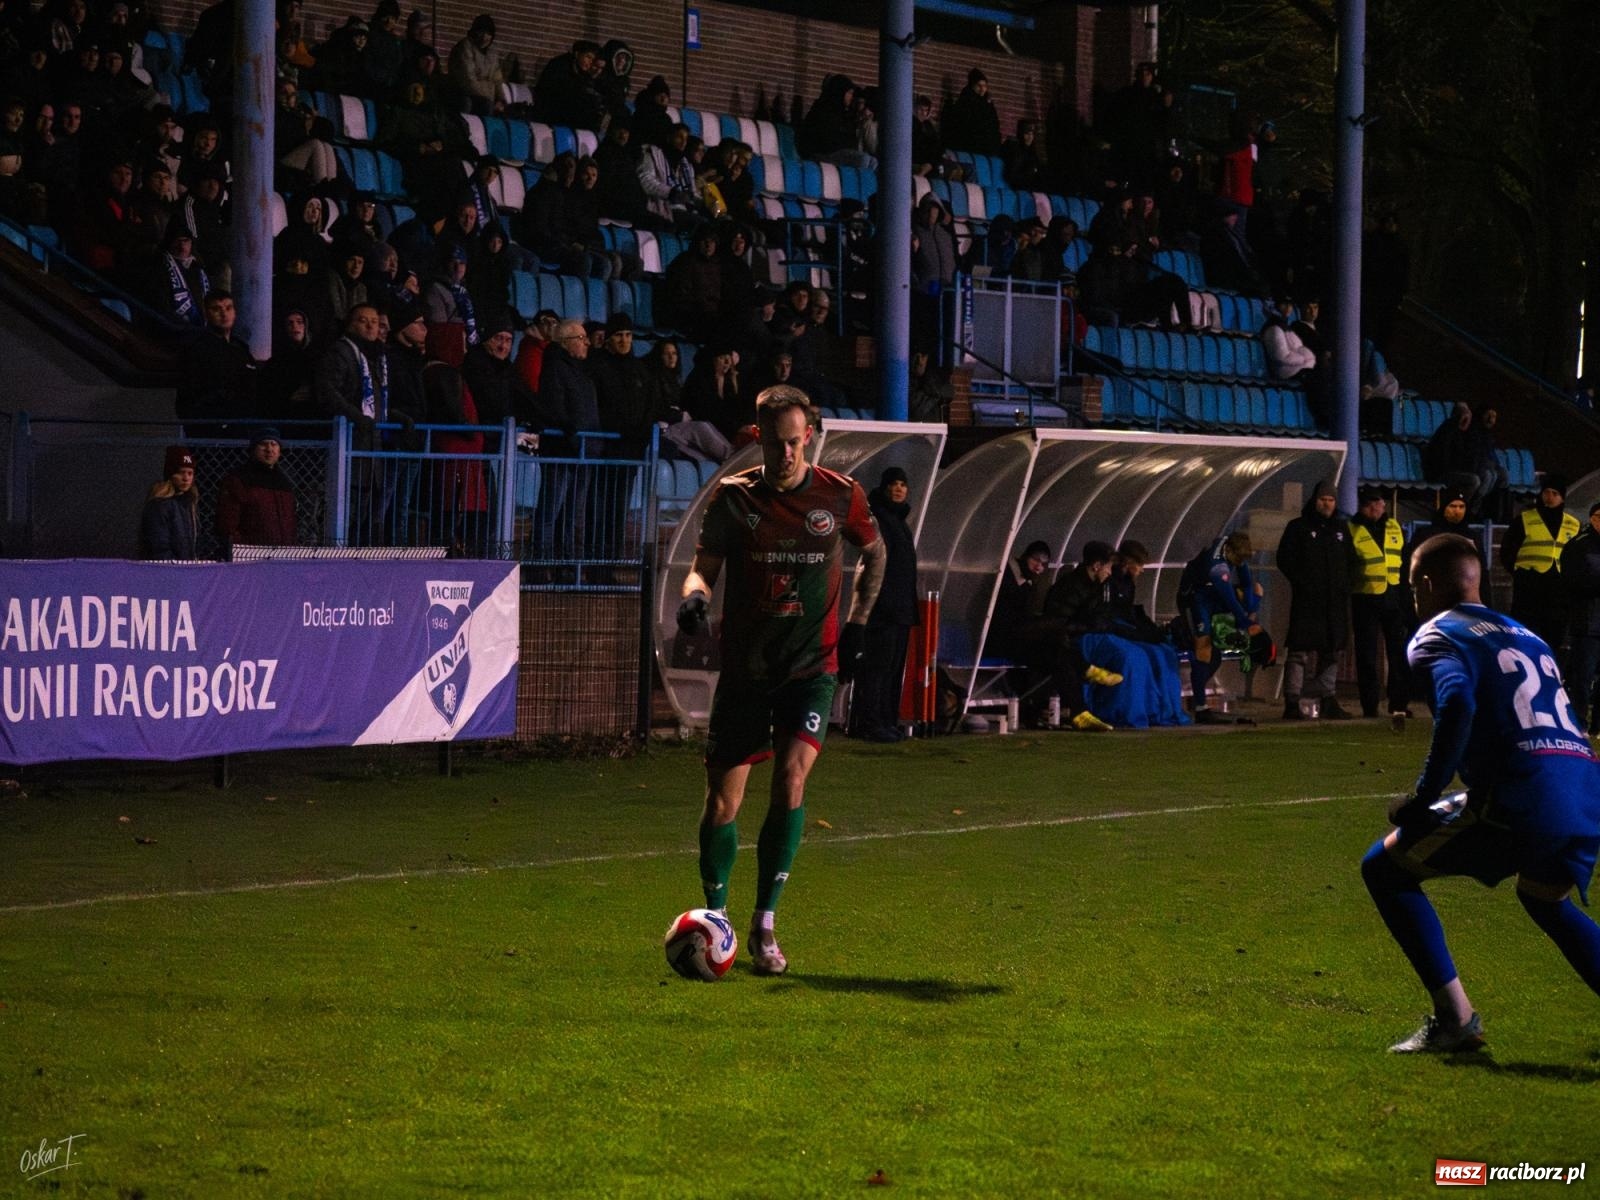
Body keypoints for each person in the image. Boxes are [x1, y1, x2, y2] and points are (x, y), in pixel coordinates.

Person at [1360, 533, 1600, 1053]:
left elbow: (1458, 704)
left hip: (1524, 792)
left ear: (1424, 584)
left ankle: (1456, 1020)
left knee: (1383, 868)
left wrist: (1425, 795)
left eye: (1412, 586)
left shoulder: (1436, 634)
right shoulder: (1526, 635)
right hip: (1582, 789)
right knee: (1545, 897)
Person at [676, 385, 886, 975]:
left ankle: (764, 923)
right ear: (759, 440)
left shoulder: (840, 496)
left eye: (796, 442)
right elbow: (702, 569)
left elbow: (876, 552)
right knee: (723, 801)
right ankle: (715, 920)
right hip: (746, 670)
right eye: (776, 443)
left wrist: (861, 623)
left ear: (810, 435)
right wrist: (693, 600)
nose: (787, 453)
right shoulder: (734, 498)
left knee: (792, 782)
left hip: (810, 671)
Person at [847, 466, 918, 743]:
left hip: (899, 608)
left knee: (891, 668)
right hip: (882, 607)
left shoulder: (899, 521)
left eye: (903, 484)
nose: (899, 489)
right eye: (894, 483)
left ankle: (886, 721)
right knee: (876, 667)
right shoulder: (877, 517)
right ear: (885, 487)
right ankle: (869, 722)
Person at [1276, 480, 1354, 720]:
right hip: (1308, 602)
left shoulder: (1341, 528)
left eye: (1331, 500)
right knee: (1299, 651)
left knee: (1332, 651)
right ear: (1314, 500)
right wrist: (1302, 583)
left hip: (1335, 603)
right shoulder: (1297, 527)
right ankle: (1291, 702)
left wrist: (1344, 586)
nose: (1327, 504)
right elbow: (1284, 559)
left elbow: (1351, 560)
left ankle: (1328, 699)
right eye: (1323, 499)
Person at [1176, 530, 1267, 724]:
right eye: (1238, 560)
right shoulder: (1216, 567)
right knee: (1204, 647)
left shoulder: (1233, 552)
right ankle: (1200, 708)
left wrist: (1253, 603)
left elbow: (1247, 583)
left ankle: (1198, 695)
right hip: (1194, 600)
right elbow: (1230, 601)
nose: (1239, 564)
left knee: (1252, 594)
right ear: (1229, 550)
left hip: (1209, 596)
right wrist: (1246, 623)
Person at [1348, 487, 1412, 720]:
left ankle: (1399, 704)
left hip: (1393, 598)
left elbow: (1403, 563)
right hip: (1365, 597)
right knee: (1367, 655)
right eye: (1378, 502)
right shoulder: (1352, 529)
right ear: (1368, 505)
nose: (1383, 506)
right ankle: (1370, 706)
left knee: (1398, 654)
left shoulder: (1394, 527)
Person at [1501, 474, 1580, 654]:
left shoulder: (1573, 524)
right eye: (1547, 492)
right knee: (1526, 633)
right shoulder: (1525, 519)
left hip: (1558, 588)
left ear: (1562, 497)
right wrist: (1520, 573)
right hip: (1530, 585)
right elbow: (1507, 551)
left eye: (1555, 493)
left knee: (1554, 635)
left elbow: (1576, 556)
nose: (1550, 497)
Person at [215, 427, 297, 557]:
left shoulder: (285, 483)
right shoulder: (238, 479)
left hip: (283, 556)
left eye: (274, 444)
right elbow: (227, 524)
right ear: (253, 449)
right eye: (263, 444)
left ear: (279, 450)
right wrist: (242, 550)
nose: (269, 449)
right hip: (249, 557)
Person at [1562, 503, 1600, 735]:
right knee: (1583, 676)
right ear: (1592, 518)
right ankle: (1578, 723)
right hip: (1587, 621)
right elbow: (1572, 581)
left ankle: (1597, 725)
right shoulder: (1578, 546)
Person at [139, 445, 199, 559]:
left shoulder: (189, 504)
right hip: (167, 571)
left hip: (183, 569)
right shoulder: (159, 506)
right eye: (181, 472)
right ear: (171, 474)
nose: (186, 478)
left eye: (190, 473)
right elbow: (158, 547)